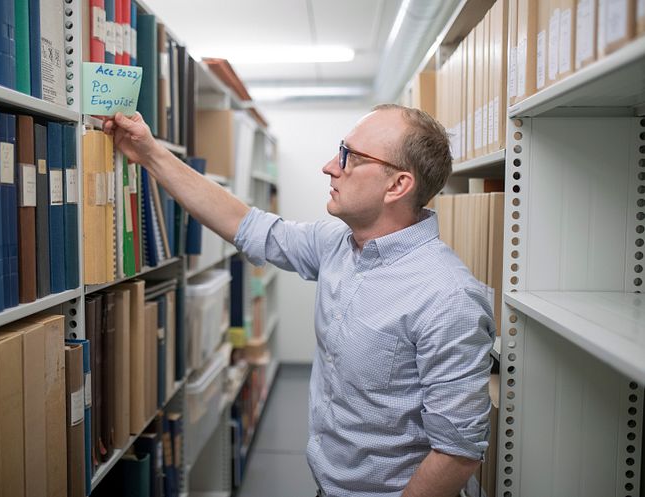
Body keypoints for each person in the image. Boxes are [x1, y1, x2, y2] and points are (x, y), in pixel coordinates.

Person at [104, 104, 494, 497]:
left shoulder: (448, 297)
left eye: (351, 157)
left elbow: (456, 453)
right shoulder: (337, 246)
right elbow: (246, 225)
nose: (330, 166)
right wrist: (149, 152)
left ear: (398, 186)